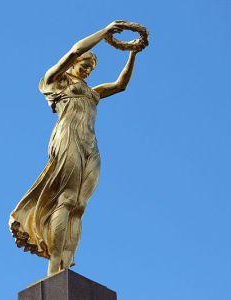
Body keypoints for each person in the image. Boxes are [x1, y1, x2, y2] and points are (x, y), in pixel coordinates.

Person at [9, 20, 139, 276]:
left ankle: (67, 264)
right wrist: (106, 31)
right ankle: (54, 266)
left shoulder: (93, 93)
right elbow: (74, 51)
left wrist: (132, 53)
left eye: (92, 67)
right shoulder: (55, 81)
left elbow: (120, 85)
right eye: (86, 64)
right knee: (66, 199)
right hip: (67, 137)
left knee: (80, 205)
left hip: (90, 143)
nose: (89, 69)